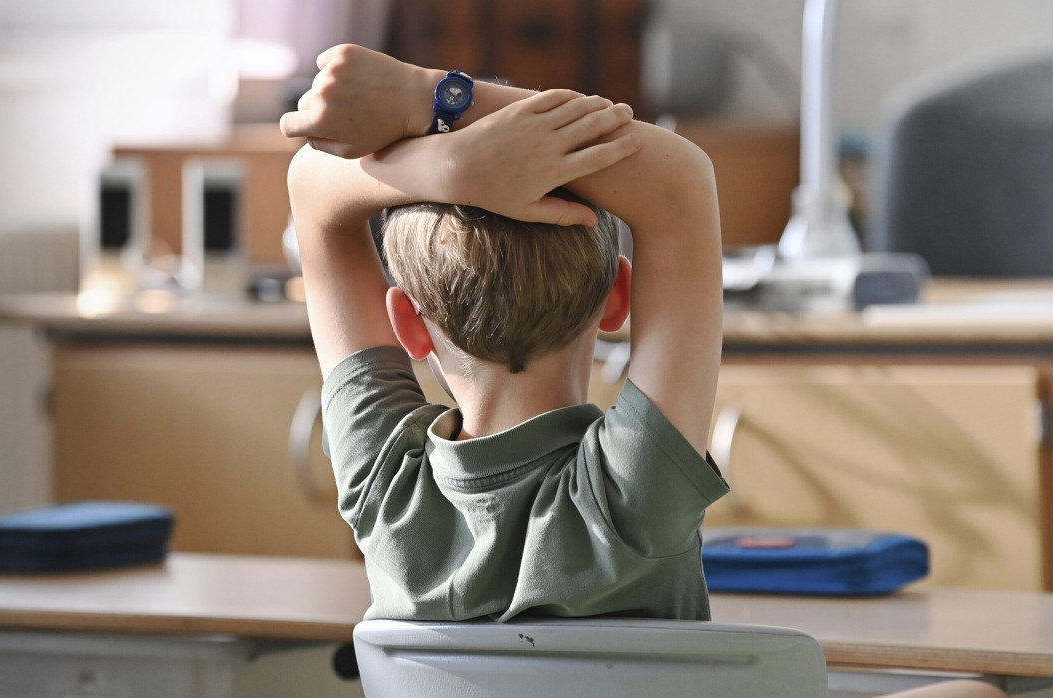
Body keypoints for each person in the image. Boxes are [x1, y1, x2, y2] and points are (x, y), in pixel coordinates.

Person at [281, 45, 728, 622]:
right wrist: (429, 98)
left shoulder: (387, 490)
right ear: (620, 296)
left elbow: (310, 189)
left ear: (409, 325)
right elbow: (680, 177)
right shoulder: (635, 497)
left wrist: (449, 166)